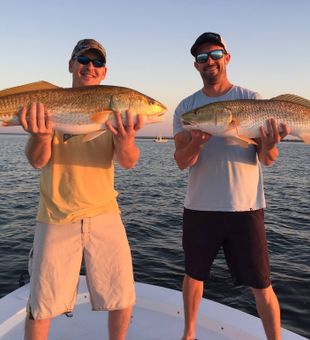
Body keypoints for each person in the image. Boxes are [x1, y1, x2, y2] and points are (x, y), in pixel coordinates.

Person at [20, 39, 143, 340]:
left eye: (97, 62)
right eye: (83, 60)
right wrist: (40, 136)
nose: (90, 66)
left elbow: (128, 162)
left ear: (104, 72)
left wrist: (126, 140)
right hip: (55, 214)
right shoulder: (48, 105)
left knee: (123, 296)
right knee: (42, 305)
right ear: (71, 65)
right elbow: (38, 161)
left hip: (104, 212)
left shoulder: (114, 110)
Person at [173, 32, 289, 340]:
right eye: (201, 57)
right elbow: (181, 161)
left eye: (214, 54)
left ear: (227, 57)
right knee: (193, 276)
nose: (209, 61)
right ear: (196, 66)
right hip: (199, 207)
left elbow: (267, 158)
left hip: (246, 206)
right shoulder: (187, 109)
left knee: (262, 284)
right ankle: (189, 334)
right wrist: (196, 143)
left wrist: (269, 144)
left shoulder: (252, 99)